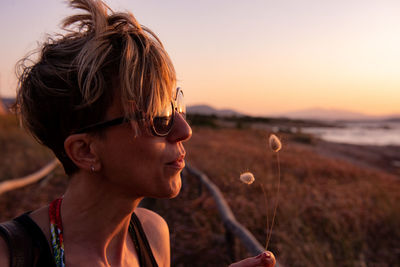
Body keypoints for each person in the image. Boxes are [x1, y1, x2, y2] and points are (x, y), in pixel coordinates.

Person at [0, 0, 276, 266]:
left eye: (174, 106)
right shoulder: (11, 256)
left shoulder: (153, 234)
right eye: (159, 117)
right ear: (85, 151)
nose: (185, 130)